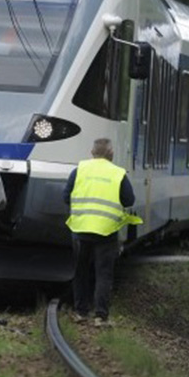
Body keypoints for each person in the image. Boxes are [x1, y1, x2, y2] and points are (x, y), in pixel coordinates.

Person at [63, 138, 142, 327]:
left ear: (92, 152)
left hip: (81, 229)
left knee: (80, 271)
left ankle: (81, 312)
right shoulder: (118, 174)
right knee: (103, 274)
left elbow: (66, 196)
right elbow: (129, 200)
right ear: (111, 154)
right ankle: (100, 316)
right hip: (106, 232)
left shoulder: (79, 170)